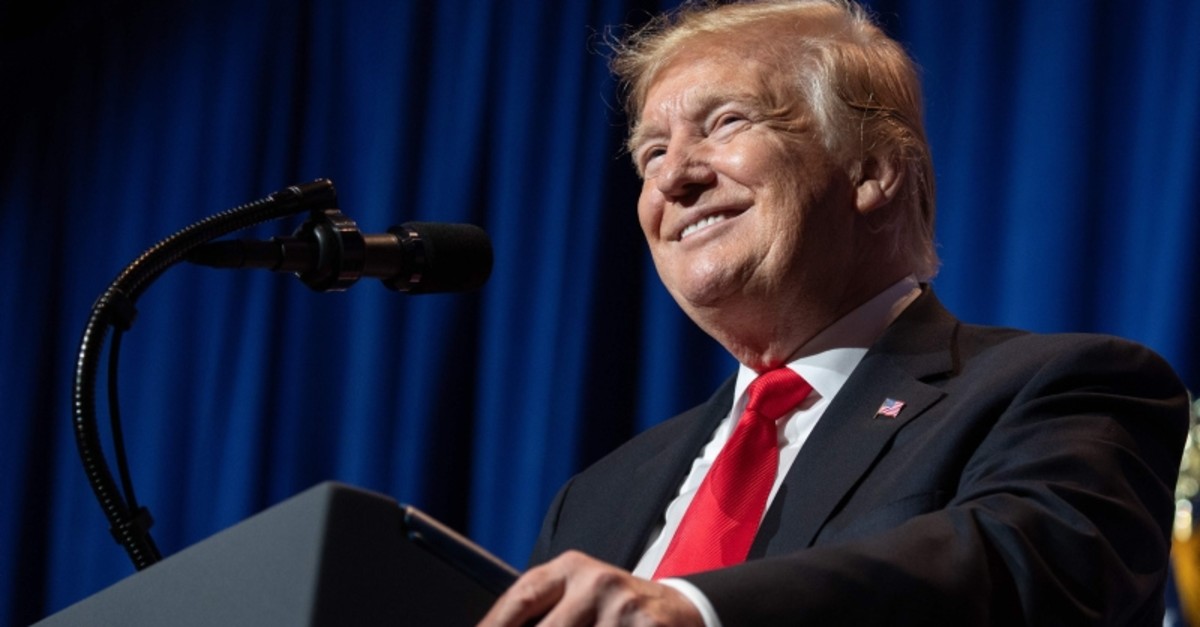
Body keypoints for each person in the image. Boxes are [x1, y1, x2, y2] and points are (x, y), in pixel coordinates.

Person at [480, 0, 1191, 625]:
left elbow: (1019, 573)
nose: (673, 176)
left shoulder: (1062, 390)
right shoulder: (596, 497)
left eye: (725, 122)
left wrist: (698, 611)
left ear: (872, 167)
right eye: (652, 152)